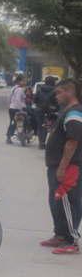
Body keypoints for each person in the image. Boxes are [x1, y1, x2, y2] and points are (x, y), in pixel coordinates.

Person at [40, 79, 82, 254]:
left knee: (69, 202)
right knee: (56, 202)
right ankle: (60, 234)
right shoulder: (66, 111)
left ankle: (71, 240)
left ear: (69, 92)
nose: (55, 96)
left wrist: (63, 167)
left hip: (69, 166)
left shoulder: (74, 113)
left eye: (58, 93)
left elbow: (72, 141)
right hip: (57, 165)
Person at [34, 76, 58, 149]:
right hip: (50, 111)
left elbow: (35, 100)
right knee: (52, 127)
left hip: (39, 110)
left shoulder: (39, 89)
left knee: (40, 126)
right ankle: (50, 142)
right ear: (53, 82)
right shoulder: (55, 90)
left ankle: (41, 143)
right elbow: (57, 101)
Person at [6, 75, 27, 144]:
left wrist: (9, 106)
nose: (24, 82)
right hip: (16, 109)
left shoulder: (13, 88)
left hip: (11, 108)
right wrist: (21, 109)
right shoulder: (20, 89)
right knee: (19, 122)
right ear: (19, 81)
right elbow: (18, 100)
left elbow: (9, 98)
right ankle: (20, 136)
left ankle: (9, 136)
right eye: (23, 81)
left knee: (13, 122)